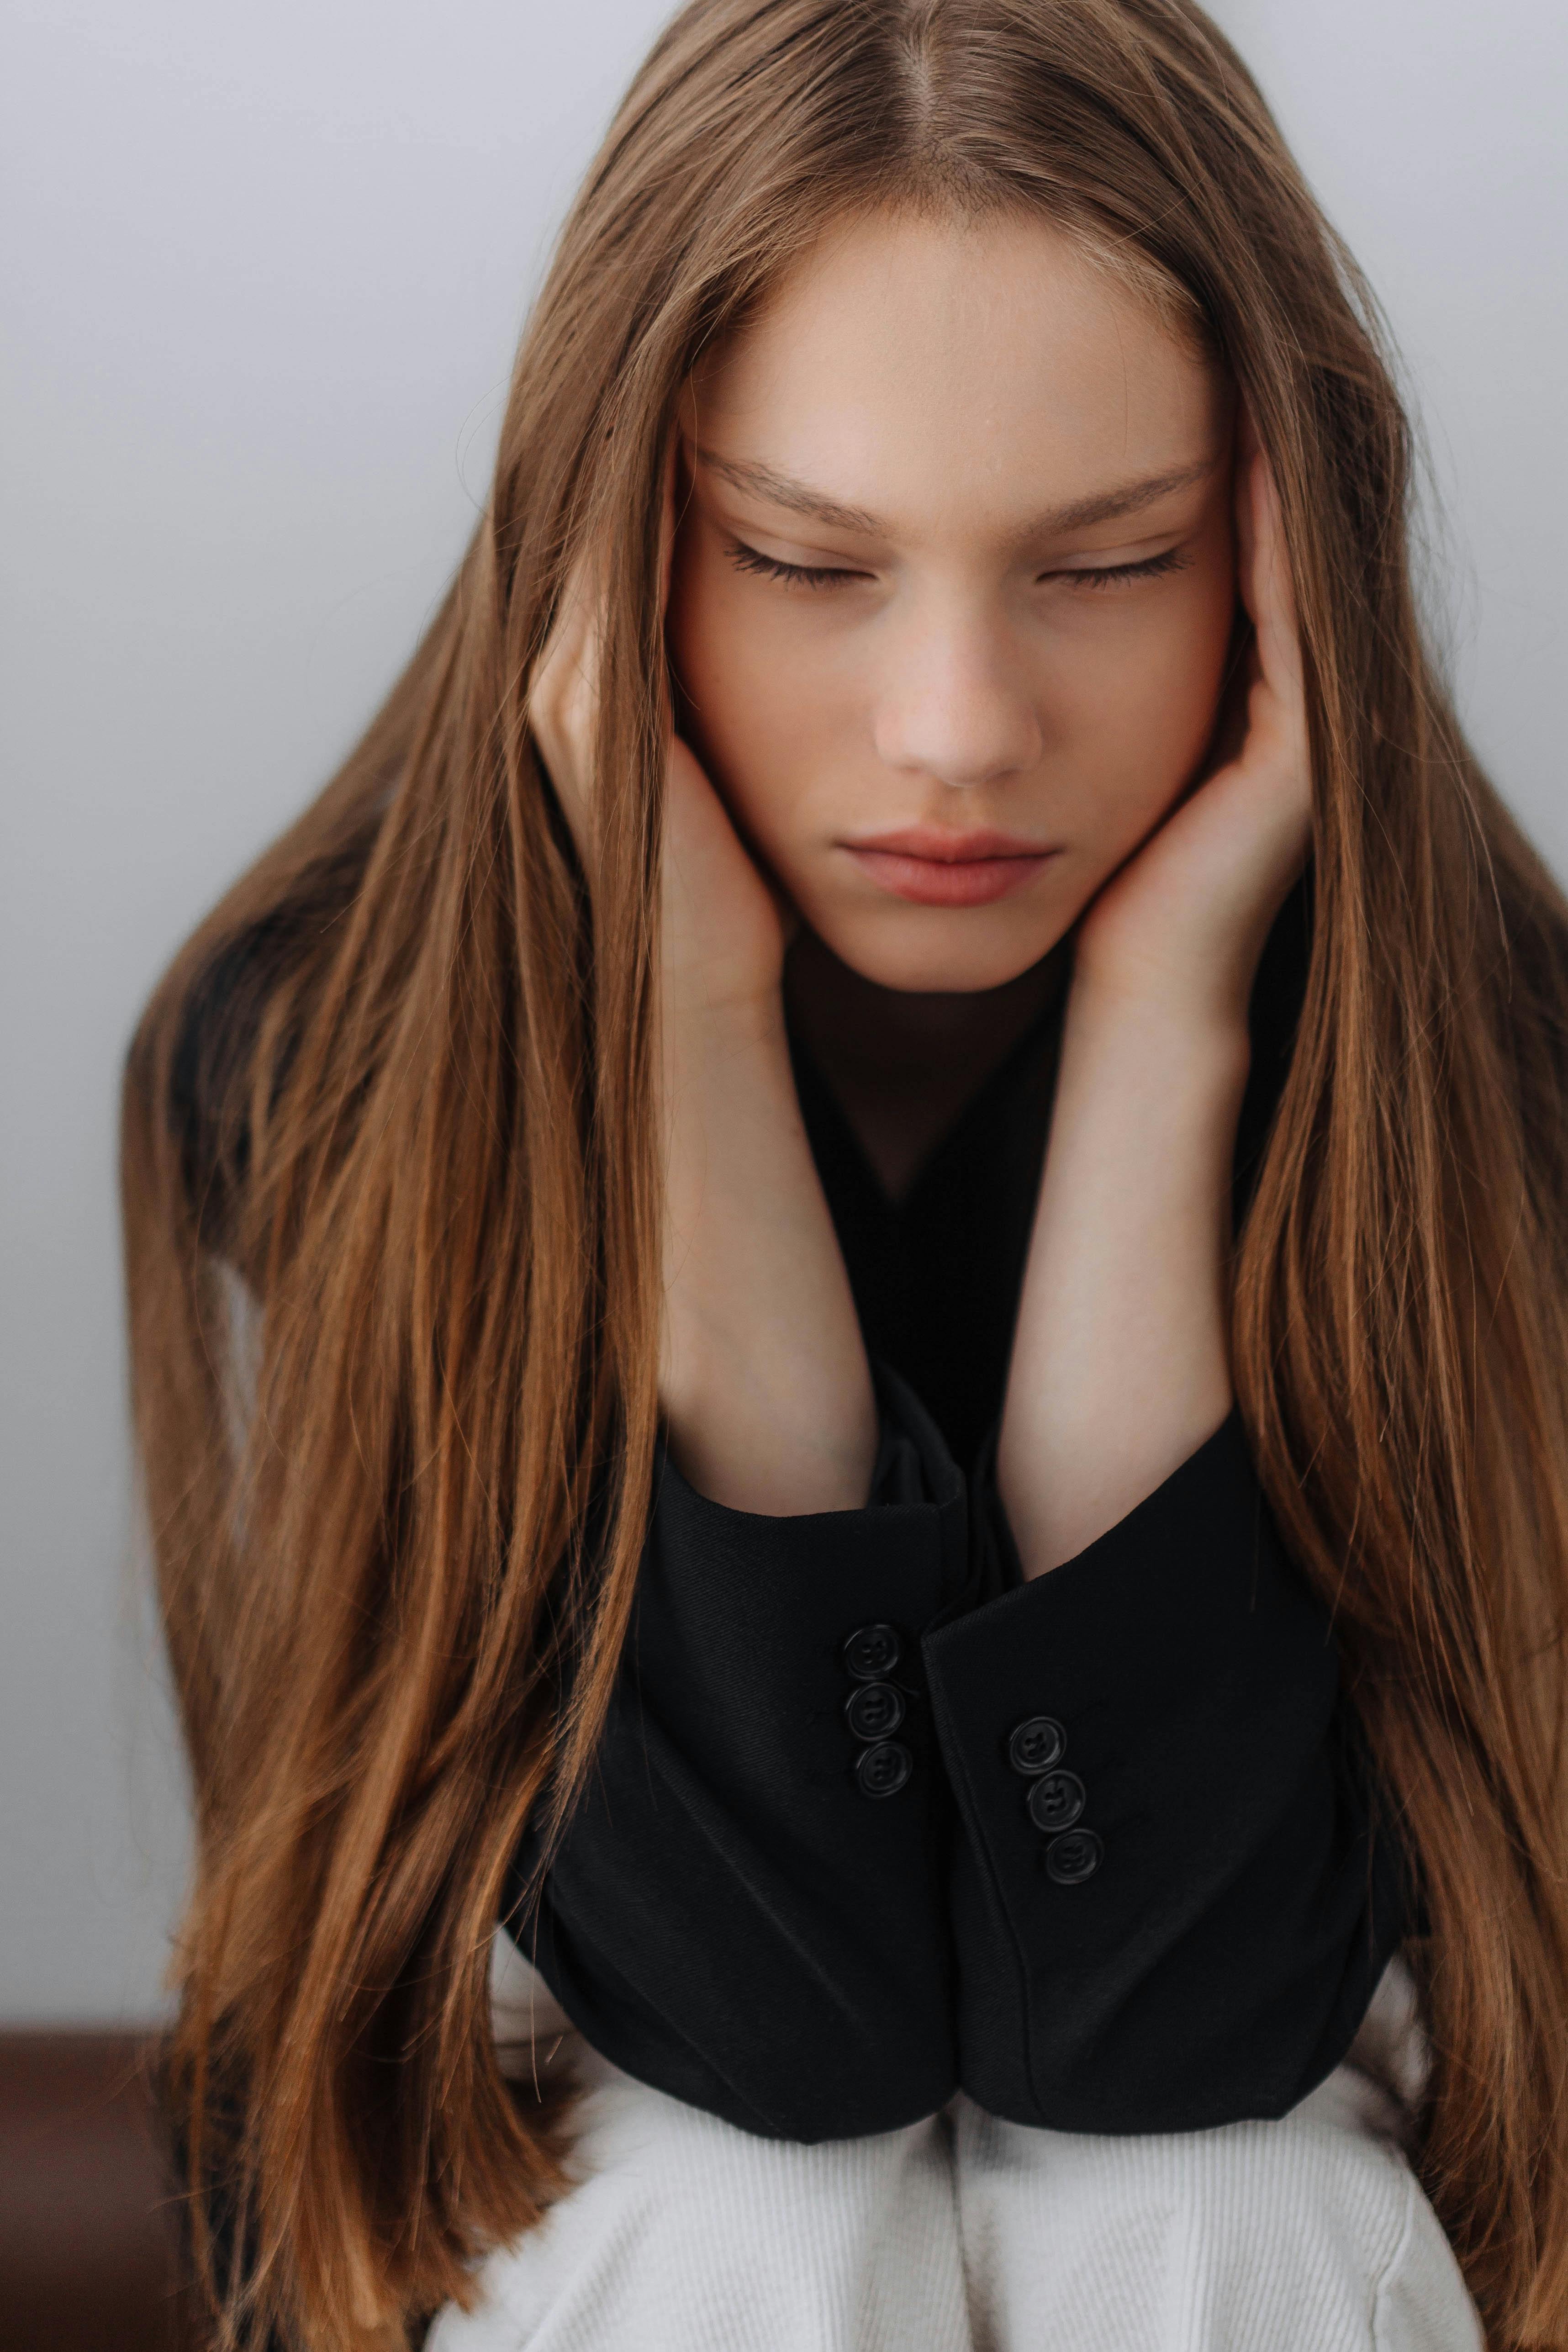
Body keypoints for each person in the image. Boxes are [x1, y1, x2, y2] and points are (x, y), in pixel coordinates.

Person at [119, 1, 1568, 2346]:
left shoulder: (1498, 1079)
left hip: (1281, 2197)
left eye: (1107, 564)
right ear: (605, 553)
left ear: (1287, 558)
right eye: (806, 562)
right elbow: (769, 2021)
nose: (957, 730)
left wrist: (1161, 1035)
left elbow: (1181, 2030)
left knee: (1216, 2205)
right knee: (748, 2223)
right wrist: (679, 1029)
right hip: (576, 2204)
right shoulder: (315, 1068)